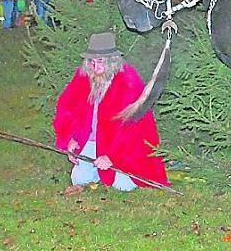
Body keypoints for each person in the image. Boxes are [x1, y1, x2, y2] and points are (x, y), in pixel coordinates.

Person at [53, 32, 169, 193]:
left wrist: (113, 157)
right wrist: (69, 139)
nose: (95, 67)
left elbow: (134, 129)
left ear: (112, 61)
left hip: (123, 149)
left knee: (123, 186)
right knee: (79, 179)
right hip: (90, 142)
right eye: (91, 61)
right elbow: (66, 108)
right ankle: (98, 170)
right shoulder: (84, 76)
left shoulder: (128, 82)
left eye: (100, 61)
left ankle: (108, 170)